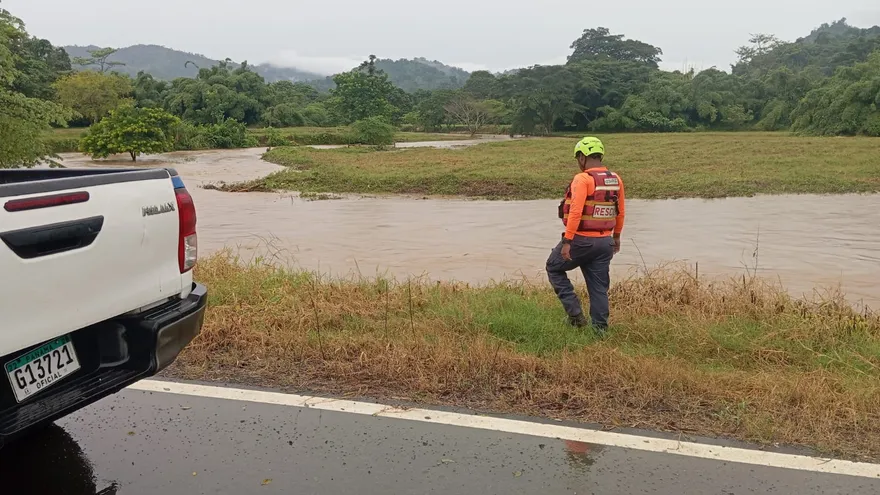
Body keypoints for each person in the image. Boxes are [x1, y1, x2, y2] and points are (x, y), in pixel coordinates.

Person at [546, 136, 625, 335]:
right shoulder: (615, 179)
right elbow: (620, 212)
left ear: (582, 157)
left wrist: (567, 241)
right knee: (598, 288)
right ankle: (600, 331)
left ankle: (576, 316)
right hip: (605, 242)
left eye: (577, 158)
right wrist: (616, 237)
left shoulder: (582, 179)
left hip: (581, 240)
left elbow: (575, 211)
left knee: (553, 267)